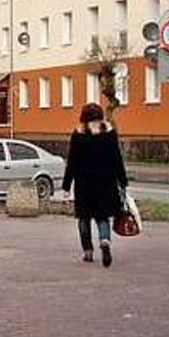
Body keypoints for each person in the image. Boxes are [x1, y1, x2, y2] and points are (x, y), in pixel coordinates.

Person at [62, 103, 128, 268]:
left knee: (83, 217)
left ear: (83, 116)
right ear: (100, 115)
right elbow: (117, 158)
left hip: (84, 183)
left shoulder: (78, 134)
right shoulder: (109, 133)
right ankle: (104, 241)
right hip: (105, 182)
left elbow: (72, 161)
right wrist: (123, 181)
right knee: (102, 215)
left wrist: (66, 186)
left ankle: (88, 251)